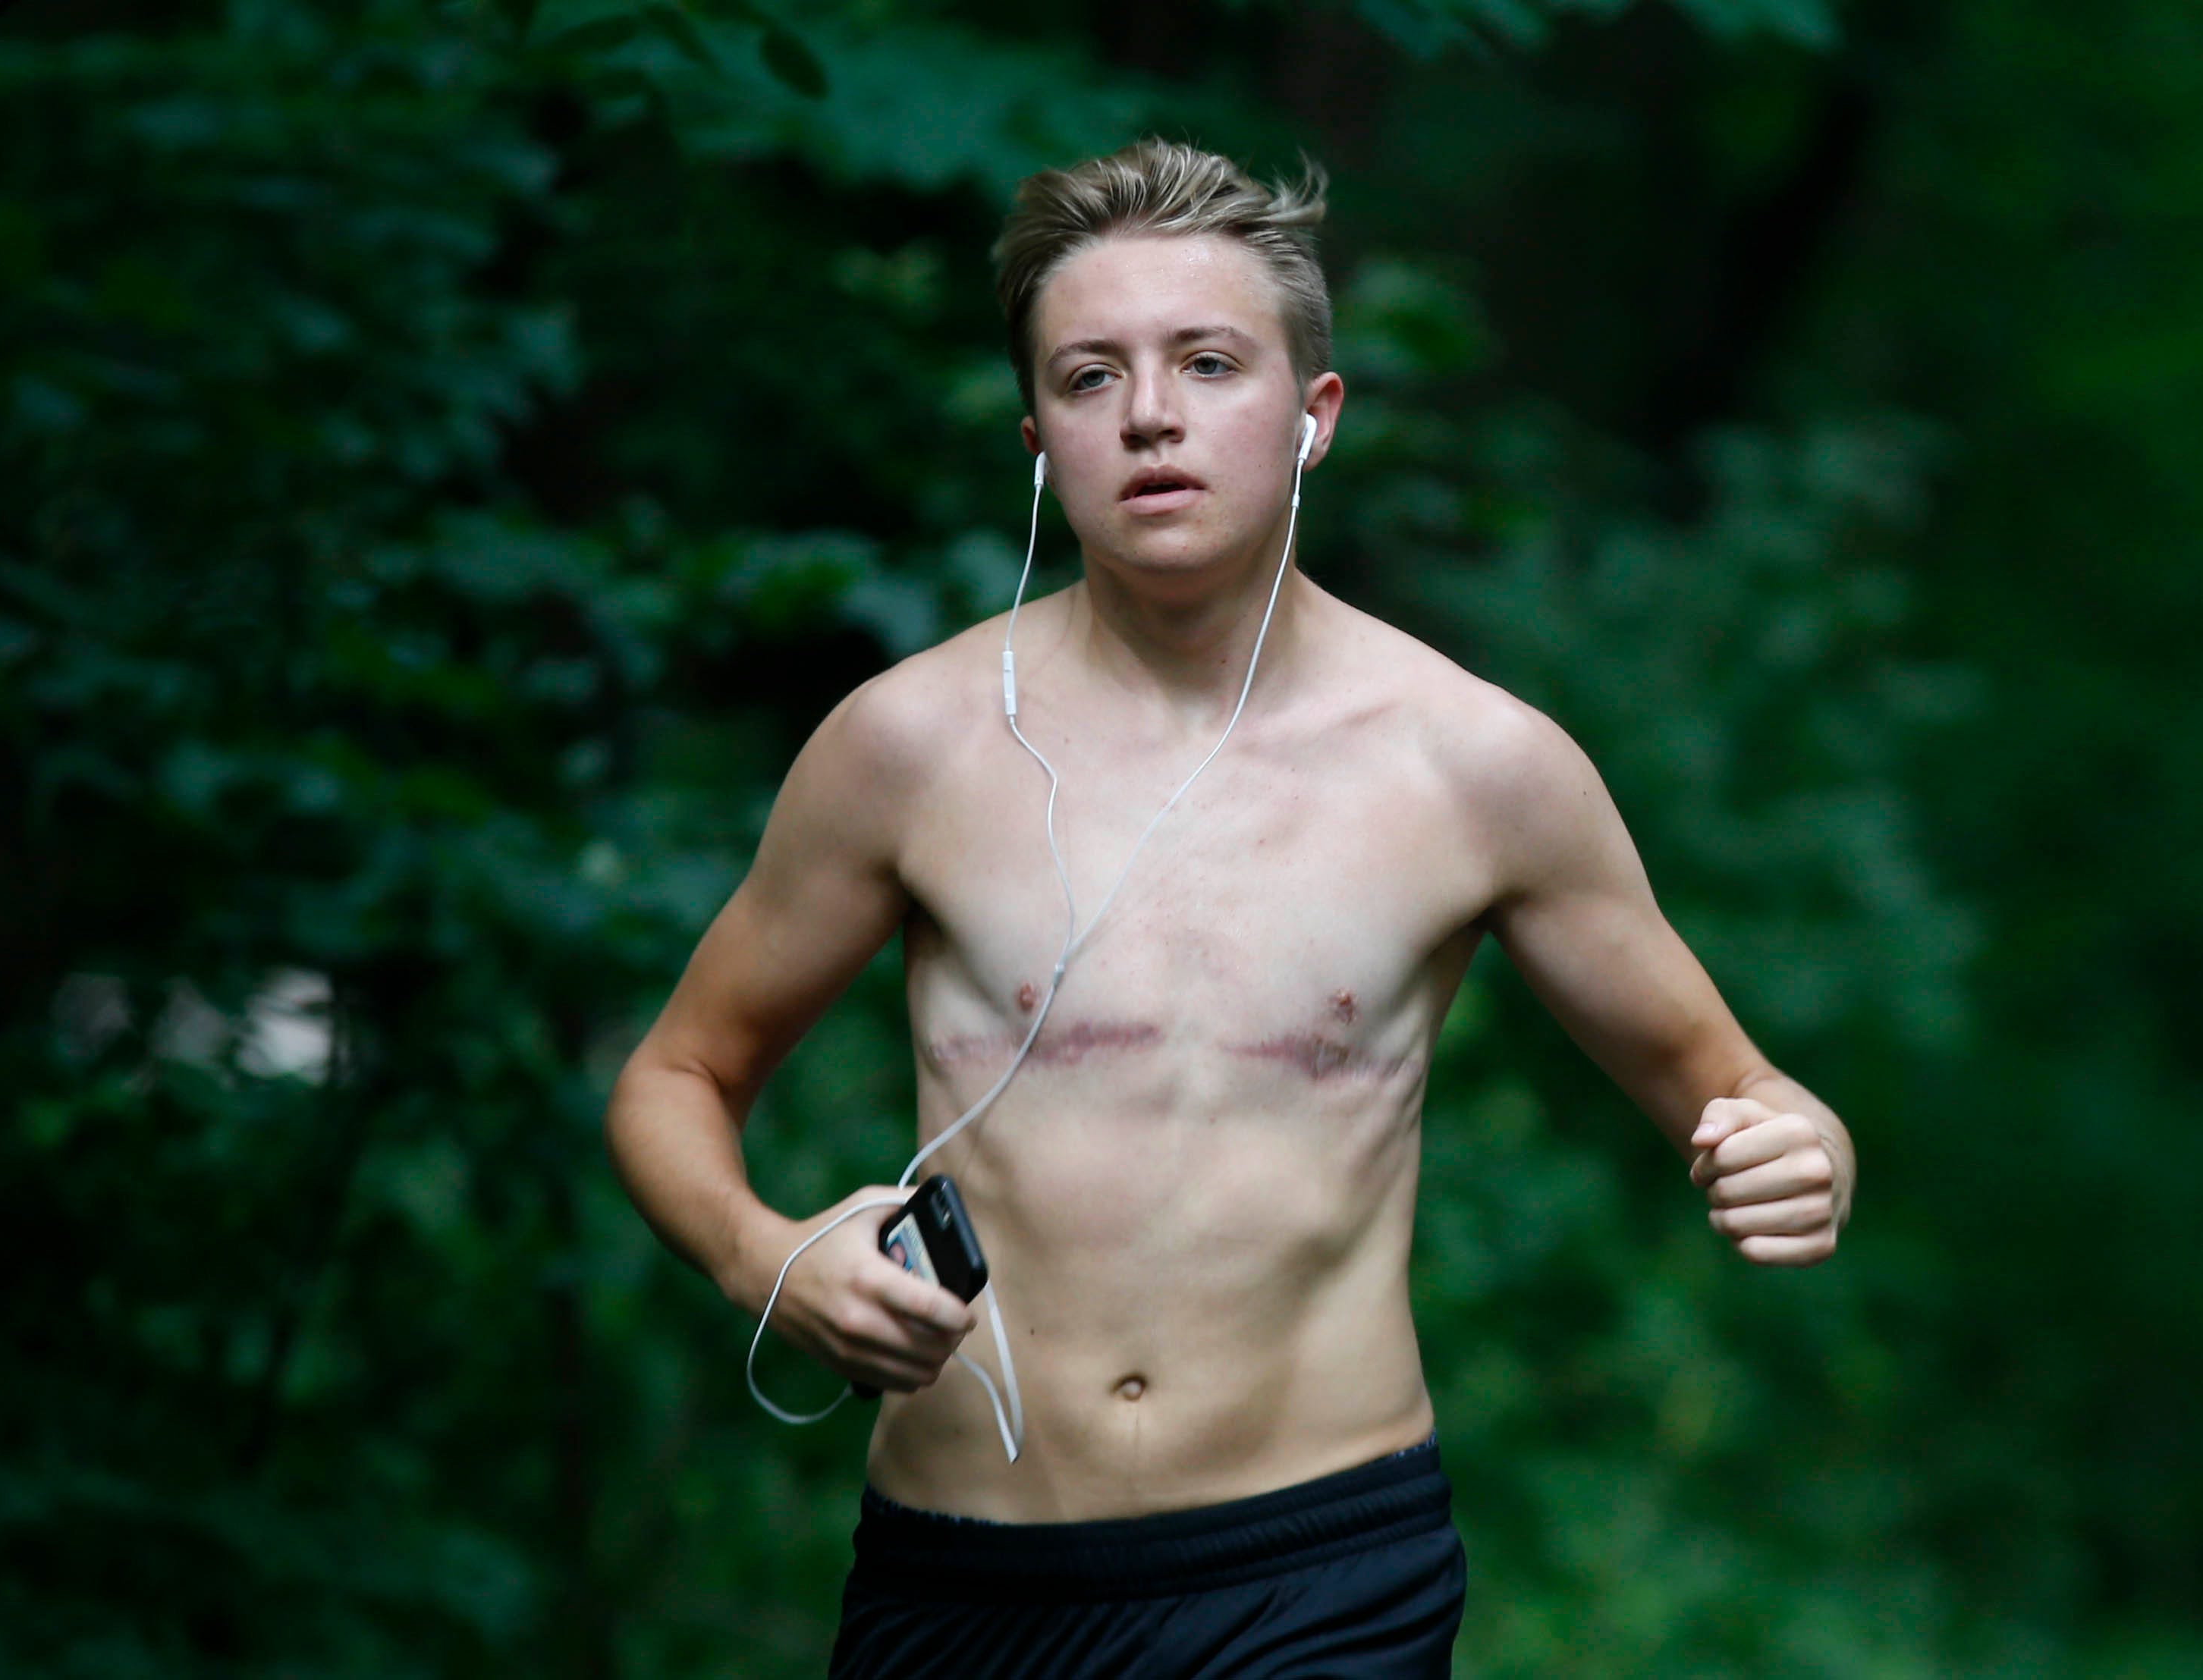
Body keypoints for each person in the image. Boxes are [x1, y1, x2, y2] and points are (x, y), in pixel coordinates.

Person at [603, 139, 1855, 1678]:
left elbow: (1744, 1093)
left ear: (1314, 414)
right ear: (1039, 440)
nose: (1150, 414)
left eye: (1208, 364)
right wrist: (767, 1257)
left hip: (1317, 1579)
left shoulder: (1474, 766)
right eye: (1091, 377)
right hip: (965, 1577)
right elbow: (676, 1075)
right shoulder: (910, 748)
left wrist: (1809, 1156)